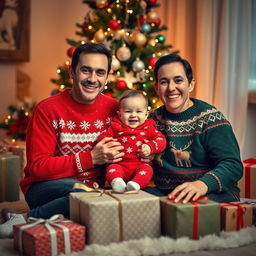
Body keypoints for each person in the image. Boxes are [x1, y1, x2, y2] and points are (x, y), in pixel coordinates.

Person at [0, 43, 125, 238]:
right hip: (46, 187)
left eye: (100, 72)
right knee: (87, 197)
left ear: (107, 77)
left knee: (106, 203)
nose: (93, 79)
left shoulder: (116, 108)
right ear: (72, 72)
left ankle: (35, 216)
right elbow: (38, 167)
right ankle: (23, 219)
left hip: (98, 188)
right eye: (85, 70)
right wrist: (91, 158)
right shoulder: (47, 110)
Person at [143, 53, 243, 204]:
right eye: (164, 82)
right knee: (132, 199)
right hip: (167, 193)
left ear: (190, 84)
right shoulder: (152, 120)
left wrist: (202, 185)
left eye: (178, 80)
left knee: (187, 210)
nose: (171, 88)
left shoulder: (211, 119)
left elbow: (233, 165)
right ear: (156, 88)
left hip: (212, 192)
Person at [97, 90, 166, 192]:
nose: (133, 115)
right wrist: (110, 143)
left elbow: (161, 140)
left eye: (138, 111)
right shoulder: (116, 126)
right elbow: (102, 137)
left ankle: (135, 184)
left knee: (147, 170)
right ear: (120, 114)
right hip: (120, 164)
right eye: (128, 111)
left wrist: (151, 147)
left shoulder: (148, 128)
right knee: (112, 169)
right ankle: (117, 182)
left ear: (146, 114)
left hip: (141, 164)